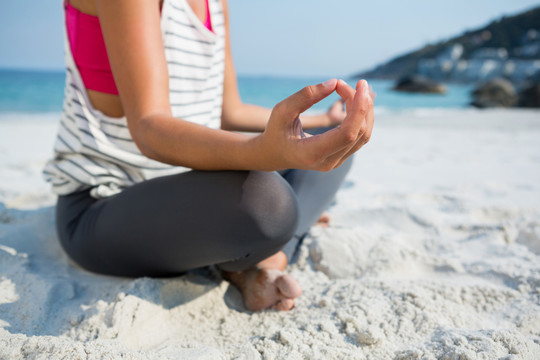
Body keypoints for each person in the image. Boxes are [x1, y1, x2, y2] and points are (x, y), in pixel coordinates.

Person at [43, 0, 374, 312]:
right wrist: (263, 153)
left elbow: (229, 112)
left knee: (329, 151)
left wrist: (322, 124)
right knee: (269, 204)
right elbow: (148, 128)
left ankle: (264, 258)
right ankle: (261, 252)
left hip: (187, 189)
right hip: (104, 204)